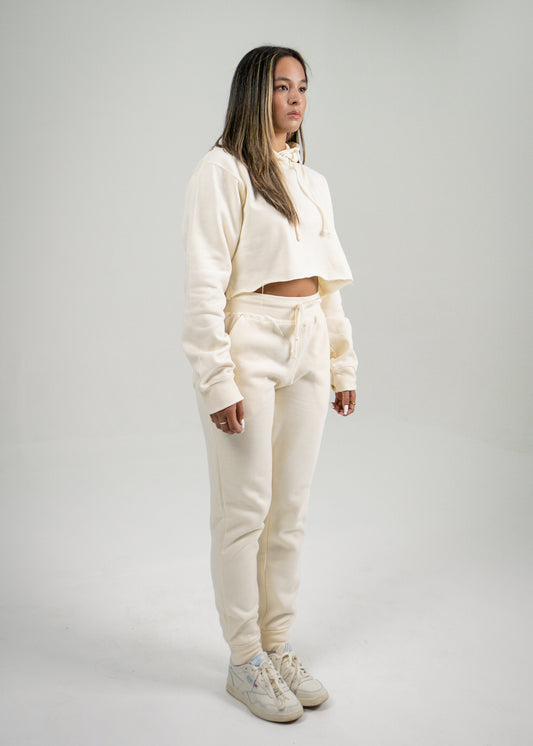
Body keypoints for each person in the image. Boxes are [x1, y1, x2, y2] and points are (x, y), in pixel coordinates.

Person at [181, 45, 358, 723]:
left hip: (308, 338)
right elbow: (203, 284)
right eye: (282, 86)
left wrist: (341, 362)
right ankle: (244, 658)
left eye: (303, 87)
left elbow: (326, 284)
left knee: (289, 512)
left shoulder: (312, 183)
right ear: (253, 92)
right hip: (249, 338)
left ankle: (277, 645)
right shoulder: (220, 171)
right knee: (244, 511)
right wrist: (216, 377)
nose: (295, 98)